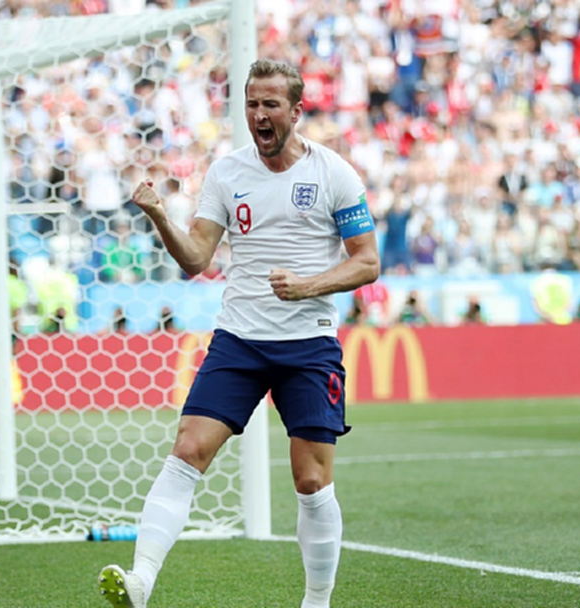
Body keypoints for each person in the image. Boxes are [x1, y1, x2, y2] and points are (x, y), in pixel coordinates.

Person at [97, 60, 379, 608]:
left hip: (309, 344)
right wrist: (160, 217)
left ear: (296, 111)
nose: (259, 114)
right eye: (252, 104)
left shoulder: (335, 174)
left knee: (311, 481)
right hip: (240, 339)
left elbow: (367, 262)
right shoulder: (227, 173)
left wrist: (308, 286)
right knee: (188, 448)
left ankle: (317, 602)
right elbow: (197, 258)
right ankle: (141, 580)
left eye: (271, 104)